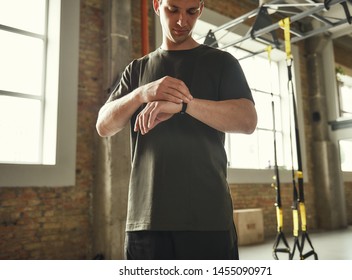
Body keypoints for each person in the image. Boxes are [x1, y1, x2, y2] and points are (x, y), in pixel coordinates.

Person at [96, 0, 257, 260]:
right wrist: (142, 93)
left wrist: (184, 106)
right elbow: (103, 125)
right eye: (174, 10)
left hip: (208, 220)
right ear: (157, 5)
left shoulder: (222, 63)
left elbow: (247, 120)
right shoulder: (136, 70)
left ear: (201, 9)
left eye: (192, 11)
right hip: (145, 222)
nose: (183, 21)